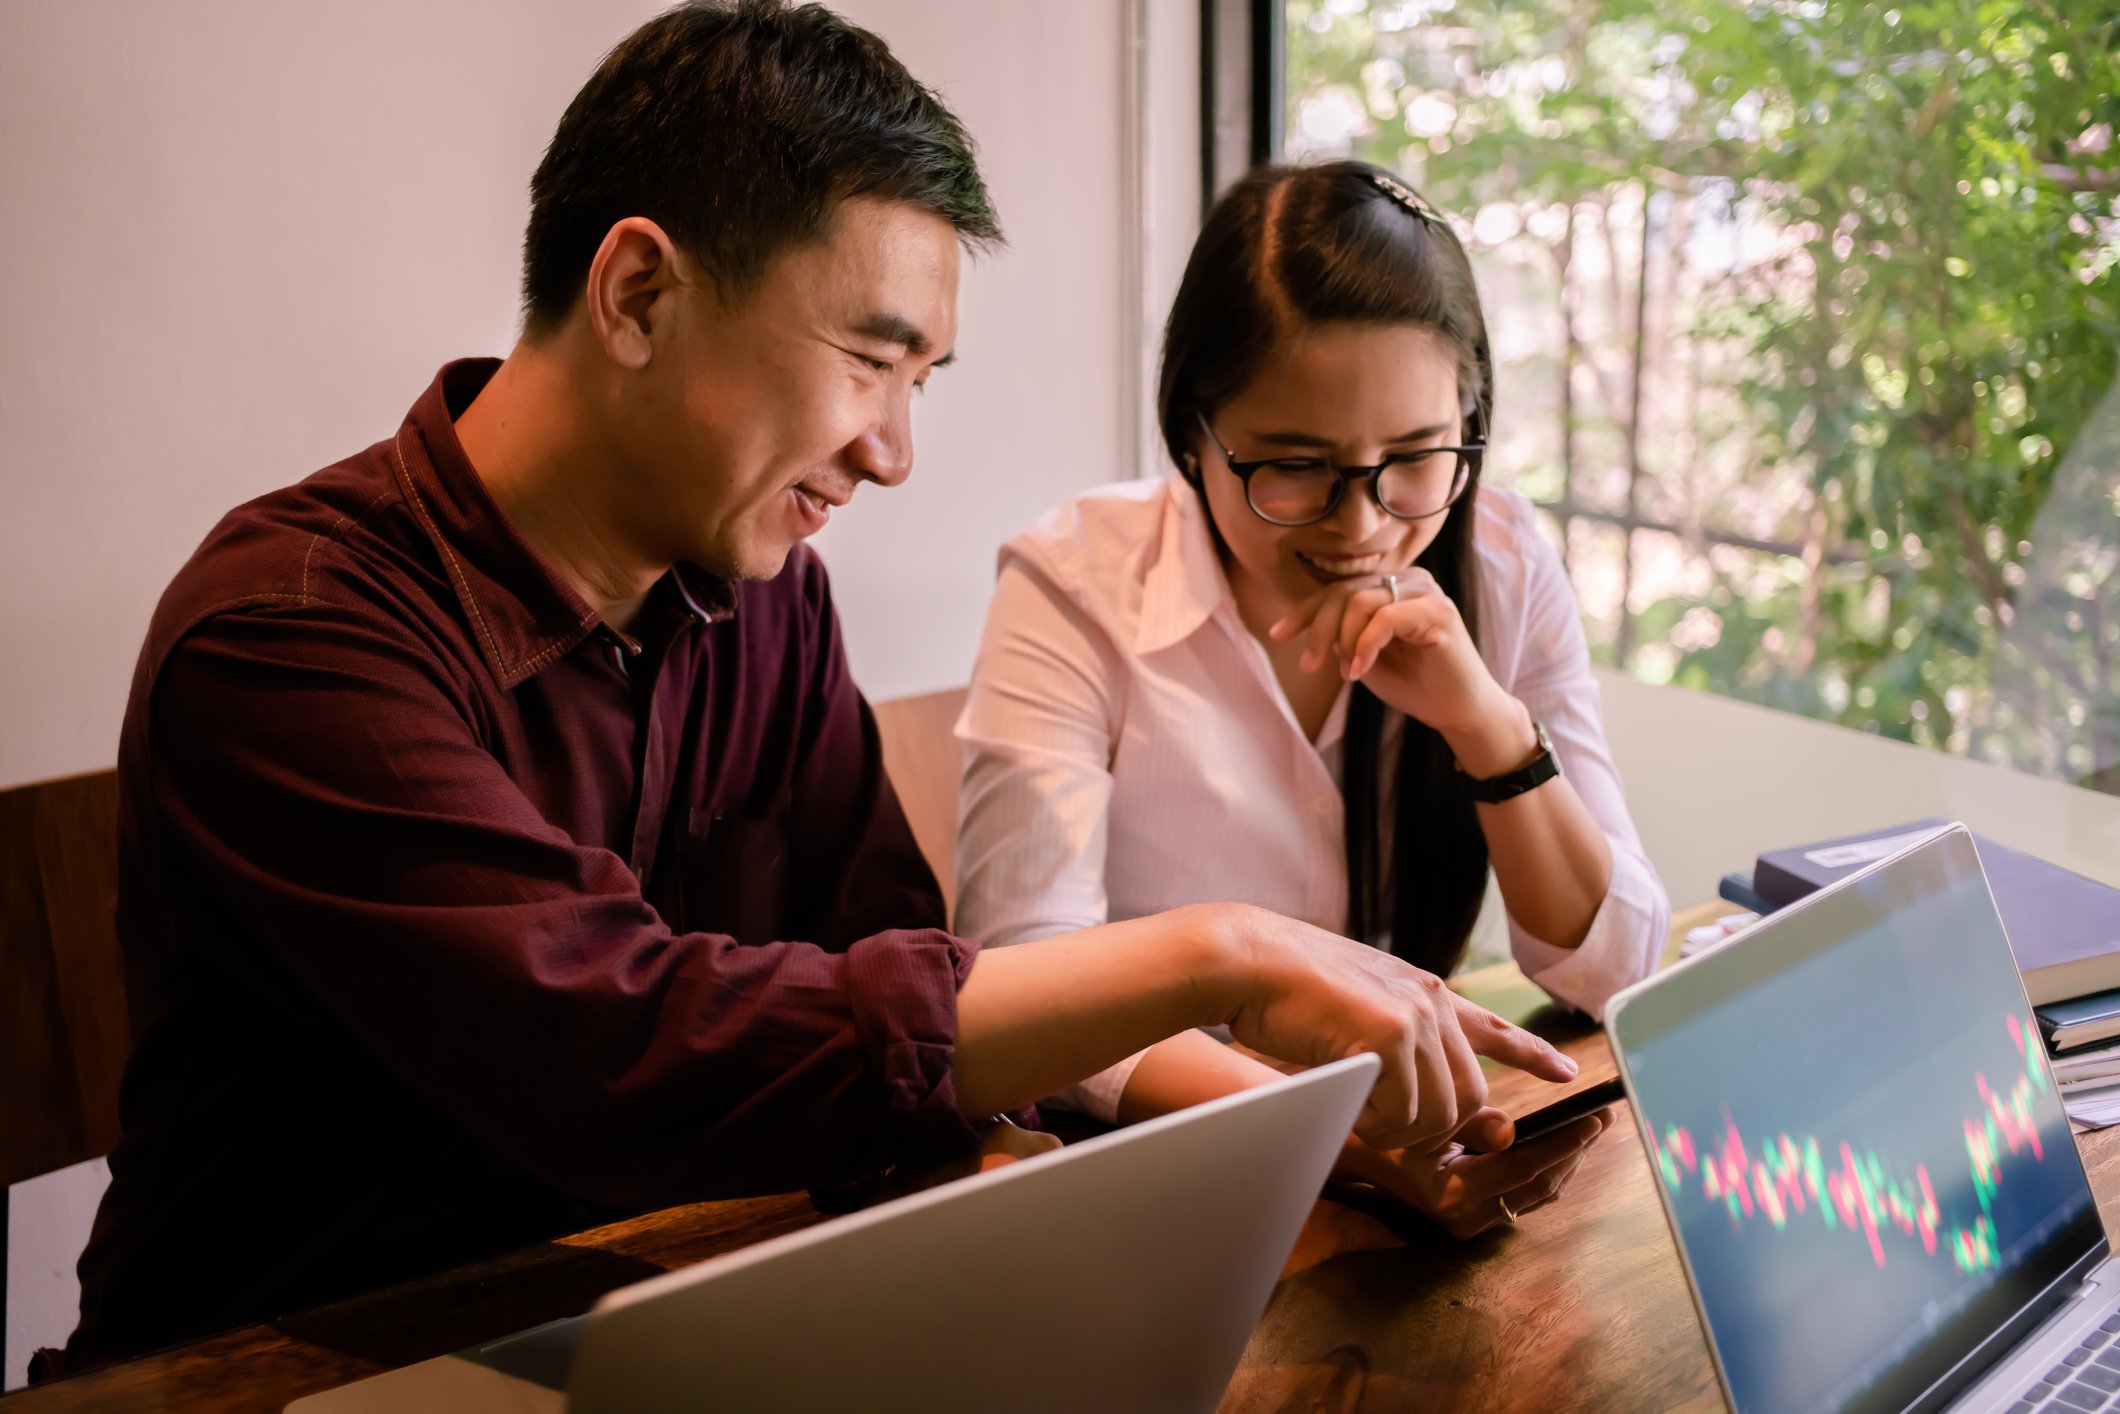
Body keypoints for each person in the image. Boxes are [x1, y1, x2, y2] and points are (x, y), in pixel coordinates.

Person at [44, 5, 1582, 1380]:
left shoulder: (759, 599)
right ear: (639, 292)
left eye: (926, 383)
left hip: (667, 1317)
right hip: (297, 1365)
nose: (894, 450)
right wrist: (1218, 955)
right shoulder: (293, 633)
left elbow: (890, 952)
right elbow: (619, 1048)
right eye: (871, 360)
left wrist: (1261, 1152)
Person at [956, 160, 1671, 1239]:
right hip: (1172, 1196)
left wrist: (1480, 720)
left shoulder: (1508, 562)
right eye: (1294, 468)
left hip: (1420, 1158)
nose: (1362, 525)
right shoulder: (1074, 584)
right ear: (1191, 437)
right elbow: (1033, 985)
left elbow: (1618, 967)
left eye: (1414, 460)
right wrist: (1330, 1138)